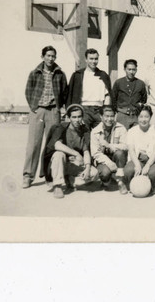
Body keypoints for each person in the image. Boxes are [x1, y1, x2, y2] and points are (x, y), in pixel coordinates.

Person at [22, 45, 67, 189]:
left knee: (52, 145)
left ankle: (49, 175)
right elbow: (28, 91)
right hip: (38, 111)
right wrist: (34, 107)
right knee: (33, 144)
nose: (50, 58)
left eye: (53, 56)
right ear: (42, 57)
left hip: (53, 111)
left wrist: (60, 108)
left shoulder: (60, 74)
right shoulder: (35, 73)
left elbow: (64, 92)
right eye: (48, 55)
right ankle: (28, 176)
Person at [40, 104, 97, 199]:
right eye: (74, 117)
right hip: (58, 163)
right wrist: (76, 153)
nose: (77, 120)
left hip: (73, 163)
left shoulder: (84, 131)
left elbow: (86, 151)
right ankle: (57, 185)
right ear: (69, 118)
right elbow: (57, 145)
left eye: (79, 117)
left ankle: (70, 180)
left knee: (94, 173)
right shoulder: (62, 128)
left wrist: (87, 168)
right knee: (59, 154)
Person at [66, 48, 112, 130]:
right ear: (86, 59)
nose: (94, 61)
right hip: (84, 109)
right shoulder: (78, 75)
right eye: (91, 58)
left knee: (100, 135)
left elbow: (107, 95)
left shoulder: (103, 75)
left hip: (99, 110)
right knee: (84, 136)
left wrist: (105, 110)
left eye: (96, 59)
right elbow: (70, 95)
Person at [122, 105, 155, 195]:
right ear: (137, 117)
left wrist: (148, 165)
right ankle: (131, 185)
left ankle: (153, 185)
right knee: (128, 170)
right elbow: (131, 150)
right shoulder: (131, 131)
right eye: (141, 116)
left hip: (153, 159)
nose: (143, 119)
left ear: (150, 117)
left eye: (146, 116)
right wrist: (137, 164)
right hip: (138, 159)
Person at [90, 105, 129, 194]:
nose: (109, 119)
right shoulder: (95, 131)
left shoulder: (121, 128)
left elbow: (126, 146)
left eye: (112, 116)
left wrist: (109, 145)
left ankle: (120, 181)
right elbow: (95, 153)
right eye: (106, 116)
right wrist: (109, 163)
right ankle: (106, 181)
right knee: (105, 173)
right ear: (101, 116)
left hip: (116, 157)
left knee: (120, 153)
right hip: (103, 160)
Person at [111, 59, 147, 130]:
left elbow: (144, 99)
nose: (131, 72)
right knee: (122, 138)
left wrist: (139, 105)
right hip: (122, 115)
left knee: (136, 138)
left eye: (133, 69)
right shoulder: (118, 82)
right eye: (129, 69)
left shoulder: (140, 83)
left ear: (136, 70)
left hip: (136, 116)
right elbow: (113, 99)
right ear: (125, 69)